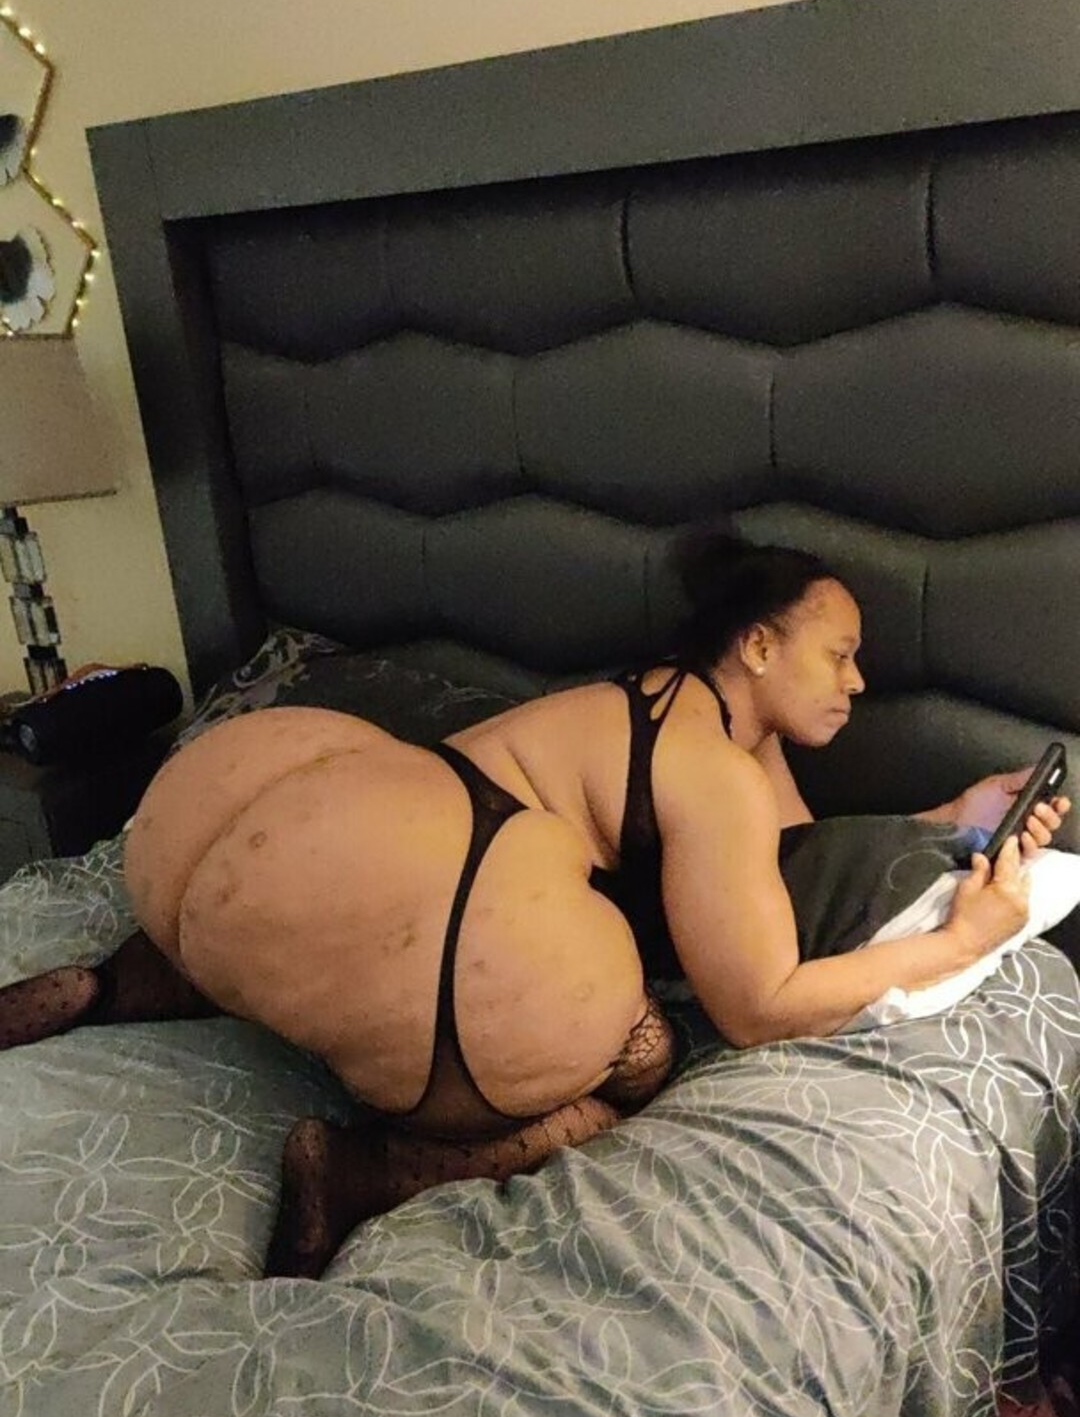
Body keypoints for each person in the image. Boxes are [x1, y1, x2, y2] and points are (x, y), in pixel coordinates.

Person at [0, 537, 1068, 1277]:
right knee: (642, 1057)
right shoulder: (717, 775)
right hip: (456, 910)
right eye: (838, 652)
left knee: (271, 908)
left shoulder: (676, 706)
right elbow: (759, 1002)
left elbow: (788, 853)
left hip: (248, 812)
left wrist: (951, 814)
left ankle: (110, 983)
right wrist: (959, 941)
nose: (859, 680)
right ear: (756, 645)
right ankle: (368, 1169)